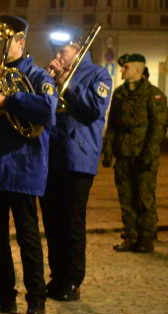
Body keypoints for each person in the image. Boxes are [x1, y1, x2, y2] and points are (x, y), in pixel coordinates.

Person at [0, 16, 56, 314]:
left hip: (24, 166)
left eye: (5, 42)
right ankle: (5, 296)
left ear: (21, 42)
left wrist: (8, 101)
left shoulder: (38, 76)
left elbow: (49, 110)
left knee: (28, 237)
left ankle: (37, 299)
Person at [40, 26, 111, 299]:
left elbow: (94, 109)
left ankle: (72, 280)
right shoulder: (56, 71)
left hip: (78, 157)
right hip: (52, 155)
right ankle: (57, 276)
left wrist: (65, 83)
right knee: (52, 221)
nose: (58, 55)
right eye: (57, 51)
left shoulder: (98, 74)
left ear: (79, 50)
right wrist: (46, 81)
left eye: (63, 51)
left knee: (71, 222)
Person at [102, 53, 167, 253]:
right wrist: (107, 151)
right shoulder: (120, 93)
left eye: (126, 67)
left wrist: (149, 154)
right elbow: (112, 125)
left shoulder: (153, 94)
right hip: (123, 154)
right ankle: (131, 235)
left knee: (145, 197)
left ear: (138, 70)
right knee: (126, 196)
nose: (122, 70)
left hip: (143, 154)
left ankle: (146, 238)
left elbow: (158, 127)